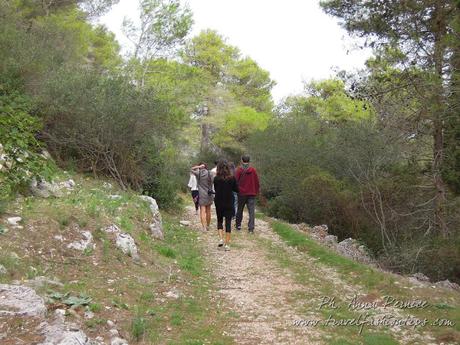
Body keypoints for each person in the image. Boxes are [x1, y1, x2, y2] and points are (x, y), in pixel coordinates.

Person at [213, 159, 239, 251]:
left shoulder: (216, 179)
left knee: (219, 220)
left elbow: (216, 190)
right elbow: (236, 190)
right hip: (229, 202)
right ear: (228, 168)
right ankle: (227, 245)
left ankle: (220, 239)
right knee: (228, 223)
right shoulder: (232, 178)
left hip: (219, 202)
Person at [235, 155, 260, 233]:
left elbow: (235, 182)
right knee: (251, 212)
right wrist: (256, 191)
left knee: (240, 209)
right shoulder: (253, 170)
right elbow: (257, 182)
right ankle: (251, 228)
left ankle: (238, 225)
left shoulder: (238, 170)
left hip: (241, 193)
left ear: (242, 161)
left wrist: (236, 190)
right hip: (251, 193)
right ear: (249, 161)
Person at [191, 163, 214, 231]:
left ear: (200, 167)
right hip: (209, 194)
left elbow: (191, 169)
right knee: (208, 210)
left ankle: (204, 227)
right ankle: (208, 226)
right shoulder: (210, 173)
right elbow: (213, 181)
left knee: (202, 211)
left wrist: (198, 166)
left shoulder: (198, 174)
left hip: (201, 194)